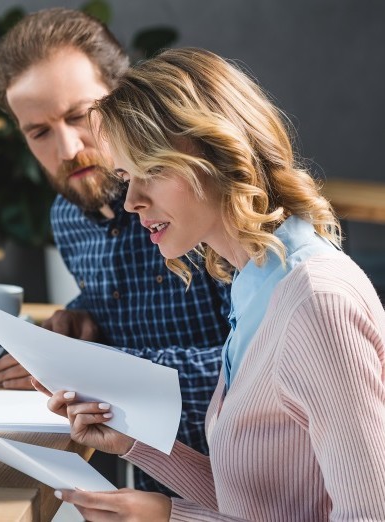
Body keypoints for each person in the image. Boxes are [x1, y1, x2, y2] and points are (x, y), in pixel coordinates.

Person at [46, 47, 385, 520]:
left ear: (221, 153)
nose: (132, 201)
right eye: (126, 177)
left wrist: (169, 517)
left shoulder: (316, 303)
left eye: (154, 171)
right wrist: (135, 446)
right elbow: (255, 501)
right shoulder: (254, 286)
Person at [0, 8, 230, 493]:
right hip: (152, 478)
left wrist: (104, 369)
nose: (68, 147)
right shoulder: (67, 216)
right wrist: (77, 322)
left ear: (124, 98)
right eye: (39, 132)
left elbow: (258, 368)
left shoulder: (195, 202)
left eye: (79, 115)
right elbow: (116, 304)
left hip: (257, 477)